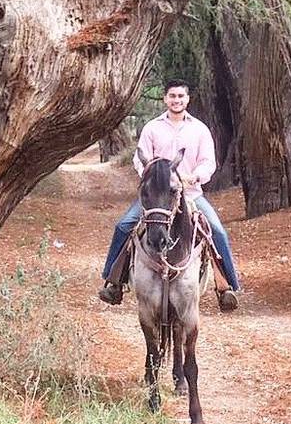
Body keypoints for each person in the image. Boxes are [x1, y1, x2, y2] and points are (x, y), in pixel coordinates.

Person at [98, 79, 241, 311]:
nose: (176, 100)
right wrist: (151, 174)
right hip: (157, 198)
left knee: (217, 231)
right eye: (172, 96)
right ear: (165, 99)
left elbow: (208, 161)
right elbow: (140, 156)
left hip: (191, 195)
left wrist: (195, 176)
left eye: (181, 96)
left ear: (187, 99)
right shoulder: (152, 128)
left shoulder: (200, 129)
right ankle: (113, 282)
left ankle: (227, 288)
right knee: (124, 225)